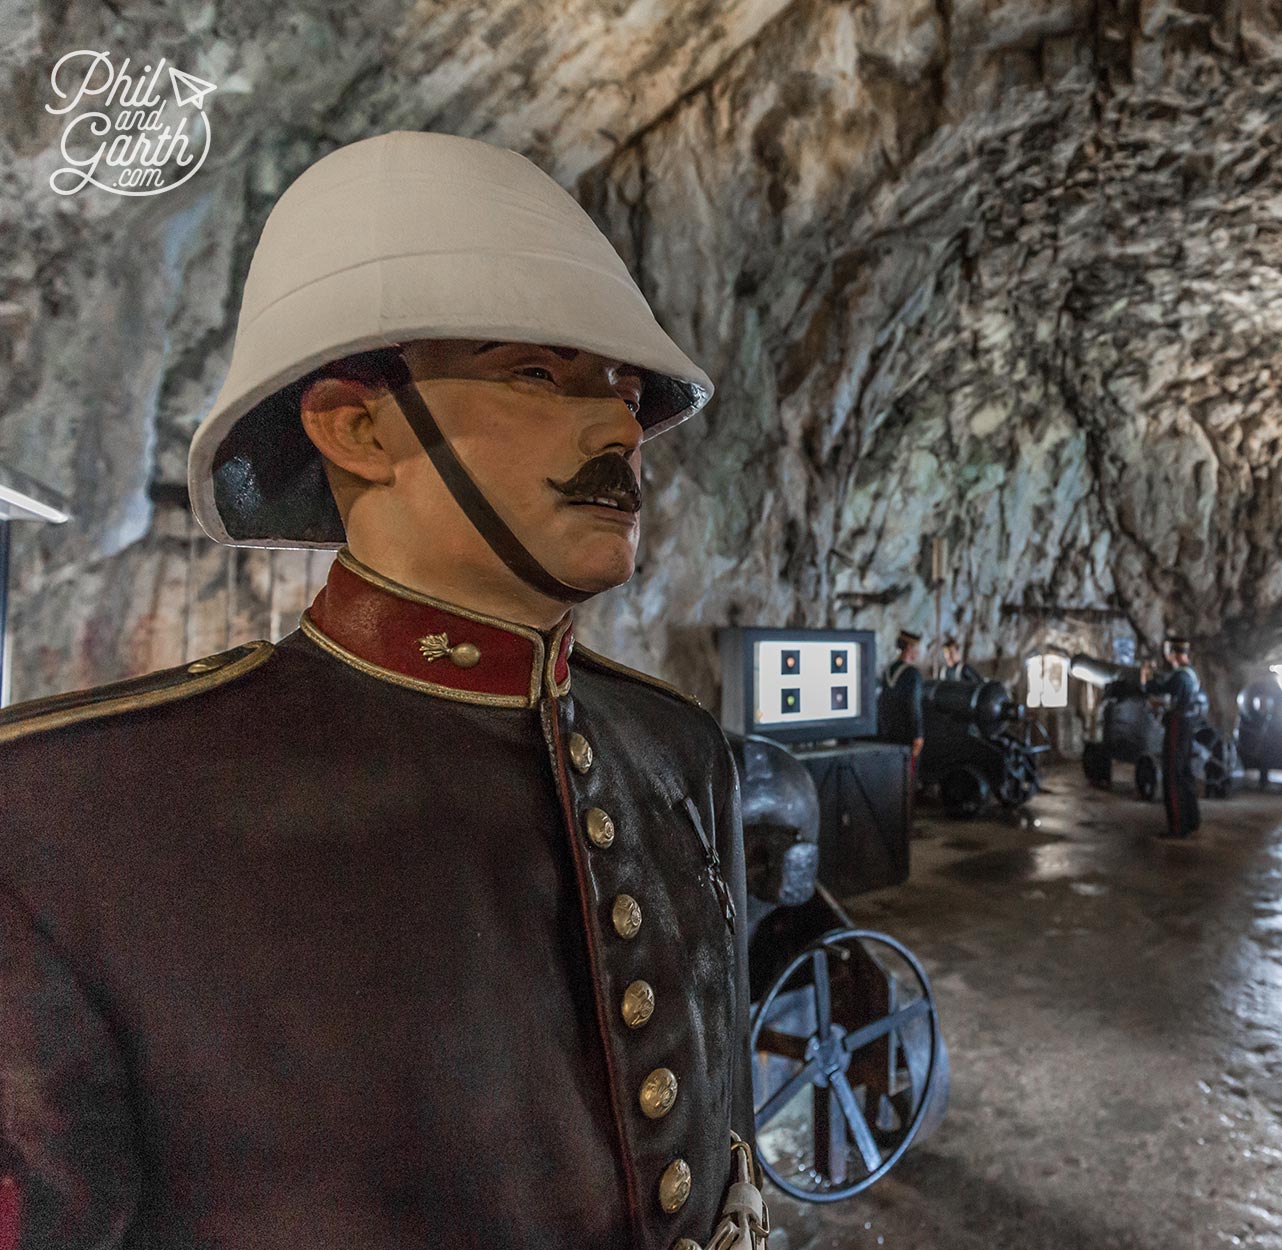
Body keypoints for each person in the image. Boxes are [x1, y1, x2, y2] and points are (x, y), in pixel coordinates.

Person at [0, 132, 765, 1250]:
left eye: (624, 389)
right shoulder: (68, 817)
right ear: (355, 426)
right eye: (539, 374)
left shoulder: (673, 747)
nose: (621, 428)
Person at [1142, 635, 1207, 838]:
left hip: (1178, 725)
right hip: (1187, 724)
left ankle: (1177, 827)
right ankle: (1192, 820)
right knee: (1185, 773)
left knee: (1172, 774)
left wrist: (1144, 677)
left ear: (1174, 654)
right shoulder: (1191, 674)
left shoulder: (1180, 676)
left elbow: (1159, 689)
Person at [879, 628, 926, 763]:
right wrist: (918, 735)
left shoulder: (887, 670)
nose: (918, 651)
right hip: (906, 736)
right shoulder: (912, 673)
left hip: (887, 733)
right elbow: (914, 705)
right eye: (917, 647)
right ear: (910, 648)